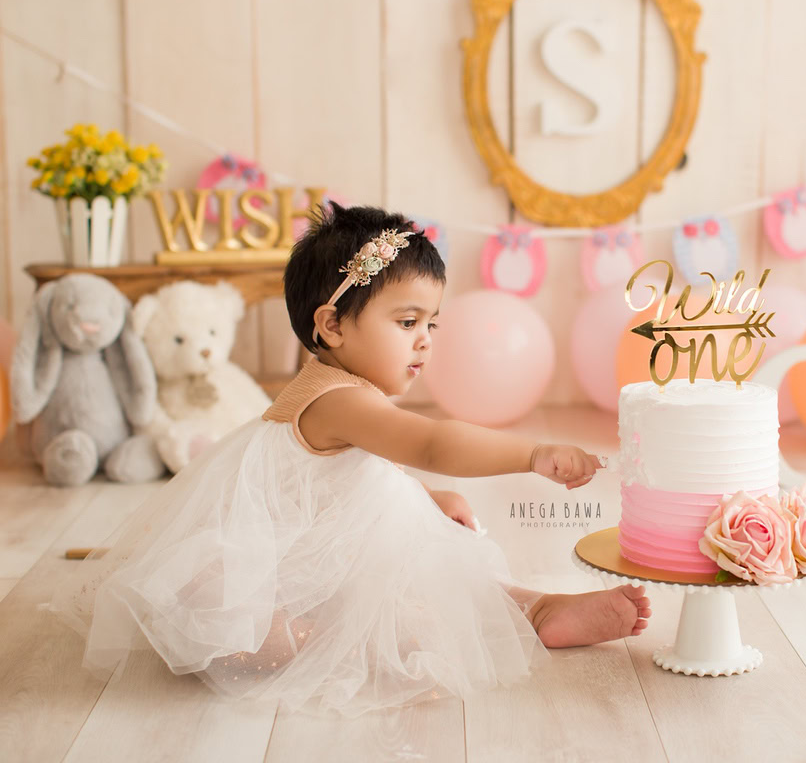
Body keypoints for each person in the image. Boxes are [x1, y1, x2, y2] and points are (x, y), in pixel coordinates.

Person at [46, 203, 651, 717]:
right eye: (407, 321)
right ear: (332, 325)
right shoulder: (335, 398)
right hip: (282, 564)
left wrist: (428, 499)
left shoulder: (345, 391)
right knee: (254, 626)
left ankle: (533, 605)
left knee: (444, 559)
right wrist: (533, 452)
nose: (425, 341)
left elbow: (362, 477)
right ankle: (377, 633)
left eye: (432, 323)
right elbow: (431, 444)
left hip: (323, 546)